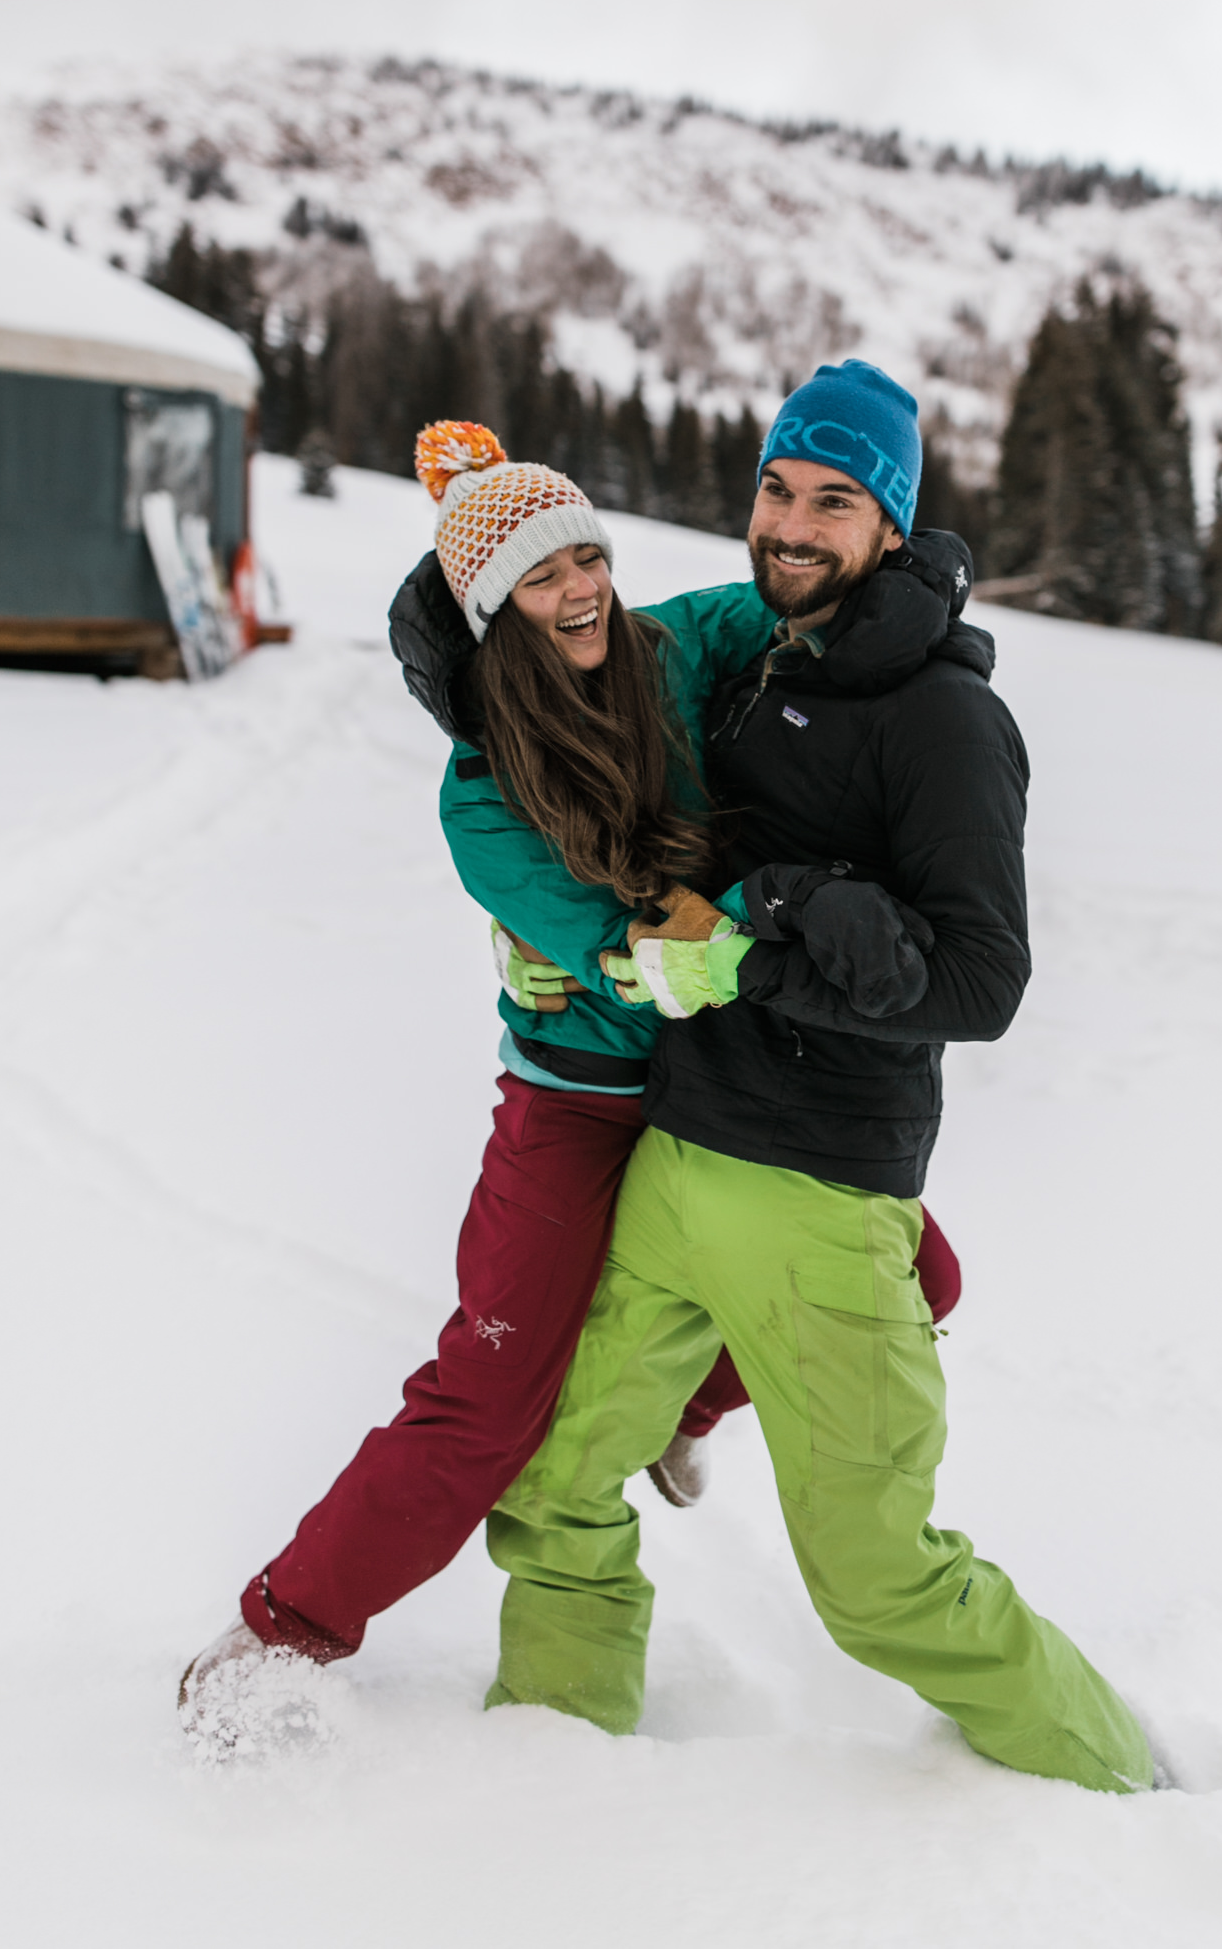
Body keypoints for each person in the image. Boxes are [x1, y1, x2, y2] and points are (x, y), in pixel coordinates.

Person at [179, 419, 963, 1741]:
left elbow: (810, 603)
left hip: (727, 1086)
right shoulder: (482, 792)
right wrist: (748, 923)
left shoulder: (669, 649)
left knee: (922, 1277)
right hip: (581, 1108)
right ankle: (286, 1626)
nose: (580, 587)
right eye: (542, 574)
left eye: (588, 554)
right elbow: (636, 955)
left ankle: (677, 1406)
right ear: (492, 606)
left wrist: (926, 581)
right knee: (489, 1402)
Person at [482, 360, 1157, 1793]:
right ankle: (540, 1775)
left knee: (877, 1586)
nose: (790, 524)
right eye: (777, 489)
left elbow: (983, 980)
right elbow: (669, 859)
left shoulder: (945, 721)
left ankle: (1126, 1796)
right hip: (676, 1166)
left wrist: (754, 948)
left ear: (892, 525)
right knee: (549, 1481)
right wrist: (550, 941)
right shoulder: (760, 669)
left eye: (832, 500)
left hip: (822, 1201)